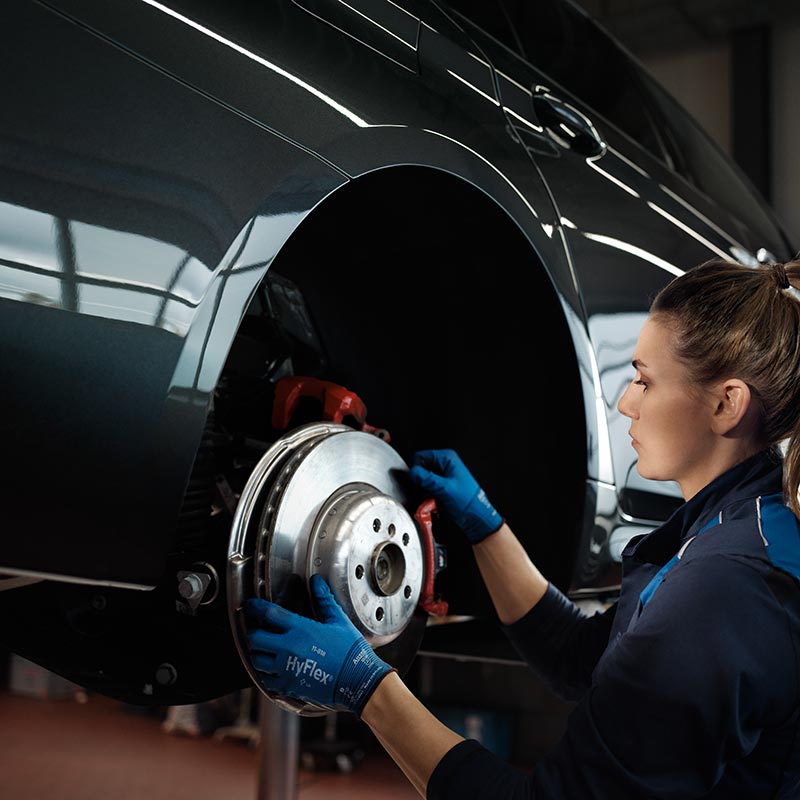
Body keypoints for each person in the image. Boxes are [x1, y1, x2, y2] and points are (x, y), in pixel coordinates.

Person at [245, 257, 800, 798]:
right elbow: (577, 657)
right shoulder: (739, 528)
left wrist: (365, 687)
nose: (625, 401)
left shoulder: (726, 590)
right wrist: (483, 523)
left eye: (644, 381)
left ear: (727, 404)